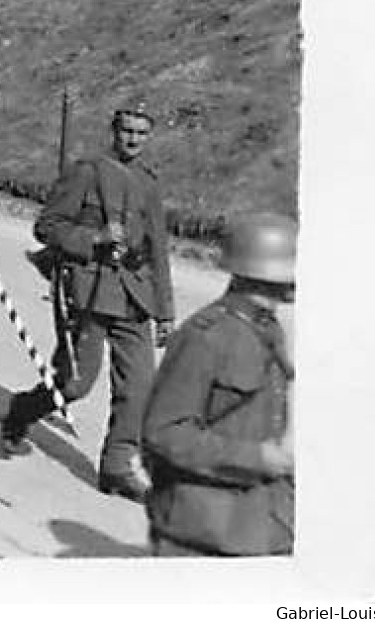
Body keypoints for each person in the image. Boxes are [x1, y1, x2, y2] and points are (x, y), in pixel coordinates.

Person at [0, 101, 176, 502]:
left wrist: (165, 312)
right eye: (127, 130)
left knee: (140, 386)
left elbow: (159, 251)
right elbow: (47, 226)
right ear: (114, 130)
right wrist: (93, 239)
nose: (133, 139)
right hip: (90, 293)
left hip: (134, 295)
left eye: (142, 133)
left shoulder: (149, 182)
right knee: (75, 384)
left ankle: (116, 466)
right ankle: (22, 411)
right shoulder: (87, 172)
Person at [142, 213, 294, 556]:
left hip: (261, 524)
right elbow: (164, 434)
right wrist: (257, 458)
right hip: (201, 530)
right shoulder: (206, 337)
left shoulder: (268, 330)